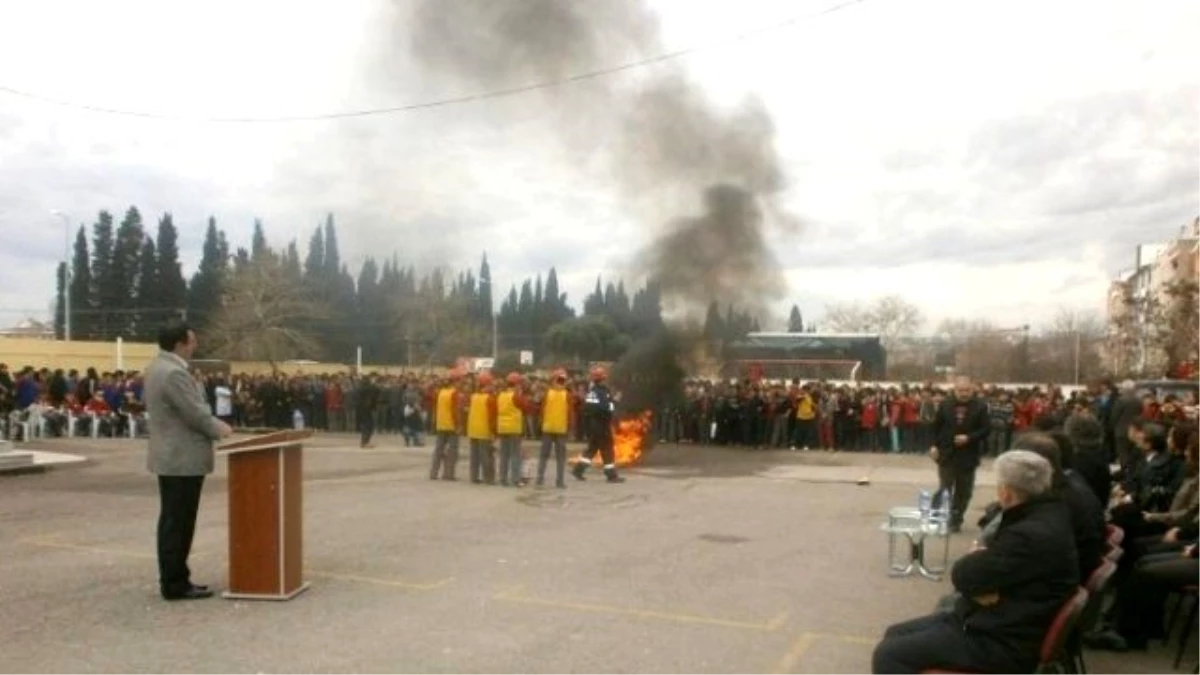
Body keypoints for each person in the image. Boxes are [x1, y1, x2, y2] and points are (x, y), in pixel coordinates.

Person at [873, 450, 1079, 675]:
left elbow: (963, 575)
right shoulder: (1048, 514)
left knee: (889, 654)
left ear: (1006, 492)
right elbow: (985, 577)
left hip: (1002, 641)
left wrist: (977, 563)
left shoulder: (1027, 534)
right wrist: (982, 584)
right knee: (894, 633)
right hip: (1005, 621)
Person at [144, 321, 233, 601]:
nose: (195, 346)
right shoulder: (173, 374)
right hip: (181, 458)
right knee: (178, 521)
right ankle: (174, 583)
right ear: (180, 343)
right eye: (192, 341)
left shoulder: (157, 368)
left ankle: (177, 577)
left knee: (174, 520)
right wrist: (220, 428)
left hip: (172, 456)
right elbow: (194, 413)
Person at [929, 377, 991, 532]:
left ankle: (955, 520)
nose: (964, 394)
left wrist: (969, 438)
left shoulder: (980, 406)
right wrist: (933, 445)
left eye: (967, 390)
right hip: (947, 453)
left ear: (972, 389)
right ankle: (935, 517)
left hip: (968, 455)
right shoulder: (946, 404)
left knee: (964, 491)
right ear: (954, 389)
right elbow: (936, 426)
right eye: (960, 390)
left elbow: (986, 429)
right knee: (945, 487)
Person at [572, 366, 624, 483]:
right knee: (607, 449)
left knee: (592, 449)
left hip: (592, 425)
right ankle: (611, 475)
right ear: (602, 379)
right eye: (605, 378)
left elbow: (586, 408)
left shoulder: (592, 392)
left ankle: (578, 470)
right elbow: (606, 408)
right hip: (602, 425)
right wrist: (615, 401)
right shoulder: (602, 392)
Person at [537, 369, 571, 488]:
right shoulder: (567, 395)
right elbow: (571, 413)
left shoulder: (547, 393)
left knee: (543, 456)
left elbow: (541, 411)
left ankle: (540, 480)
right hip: (561, 430)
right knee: (560, 458)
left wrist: (540, 425)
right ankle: (560, 481)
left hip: (547, 429)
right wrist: (570, 428)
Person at [430, 370, 464, 481]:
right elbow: (456, 411)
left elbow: (435, 408)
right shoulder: (454, 394)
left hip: (441, 424)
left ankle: (433, 473)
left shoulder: (441, 392)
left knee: (438, 450)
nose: (461, 384)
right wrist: (458, 425)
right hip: (451, 425)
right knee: (452, 451)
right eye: (460, 381)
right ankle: (448, 474)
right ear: (456, 381)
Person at [466, 371, 498, 484]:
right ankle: (488, 478)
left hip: (472, 430)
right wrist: (493, 432)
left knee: (474, 456)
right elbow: (492, 417)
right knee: (486, 456)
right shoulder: (490, 398)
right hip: (484, 431)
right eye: (491, 384)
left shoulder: (473, 396)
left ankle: (473, 477)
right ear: (487, 384)